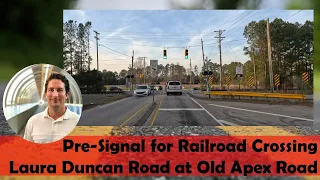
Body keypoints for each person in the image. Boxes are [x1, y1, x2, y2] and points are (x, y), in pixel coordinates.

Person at [23, 73, 80, 143]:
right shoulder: (32, 122)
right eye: (51, 90)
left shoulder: (77, 122)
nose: (55, 95)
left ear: (67, 95)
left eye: (59, 90)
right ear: (46, 95)